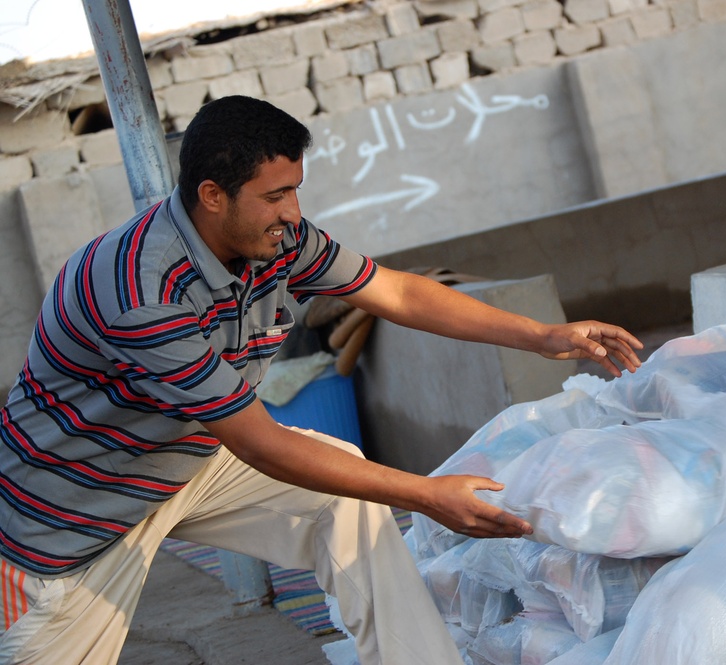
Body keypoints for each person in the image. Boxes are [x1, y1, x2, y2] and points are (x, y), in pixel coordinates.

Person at [0, 95, 643, 665]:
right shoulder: (140, 288)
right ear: (212, 194)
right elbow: (261, 444)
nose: (293, 211)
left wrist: (542, 335)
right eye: (275, 195)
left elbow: (396, 292)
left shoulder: (278, 241)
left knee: (346, 490)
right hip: (71, 526)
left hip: (182, 460)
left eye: (295, 189)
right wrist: (425, 493)